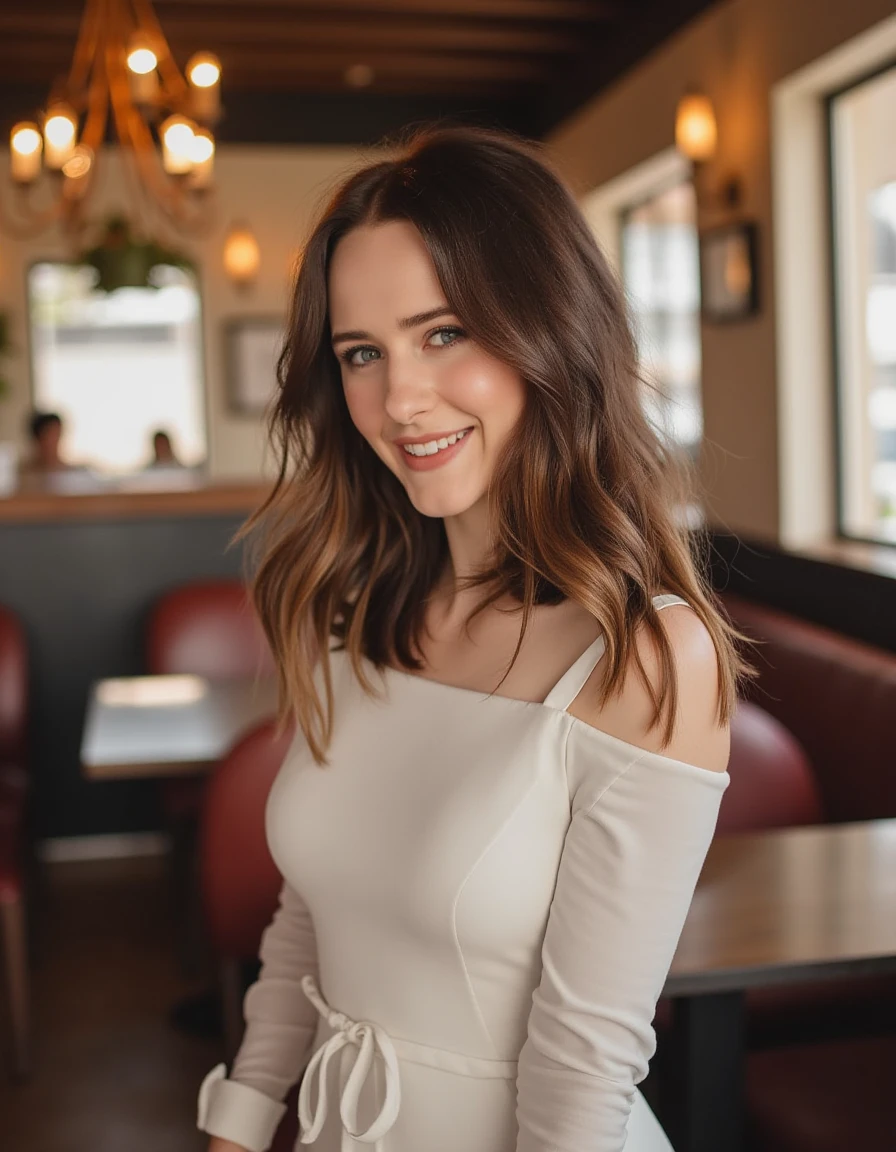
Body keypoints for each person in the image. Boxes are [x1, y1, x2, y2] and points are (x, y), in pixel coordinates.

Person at [197, 126, 754, 1152]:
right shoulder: (357, 615)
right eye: (361, 354)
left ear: (550, 332)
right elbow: (312, 922)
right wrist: (237, 1122)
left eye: (443, 332)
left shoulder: (644, 657)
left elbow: (583, 1066)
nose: (398, 399)